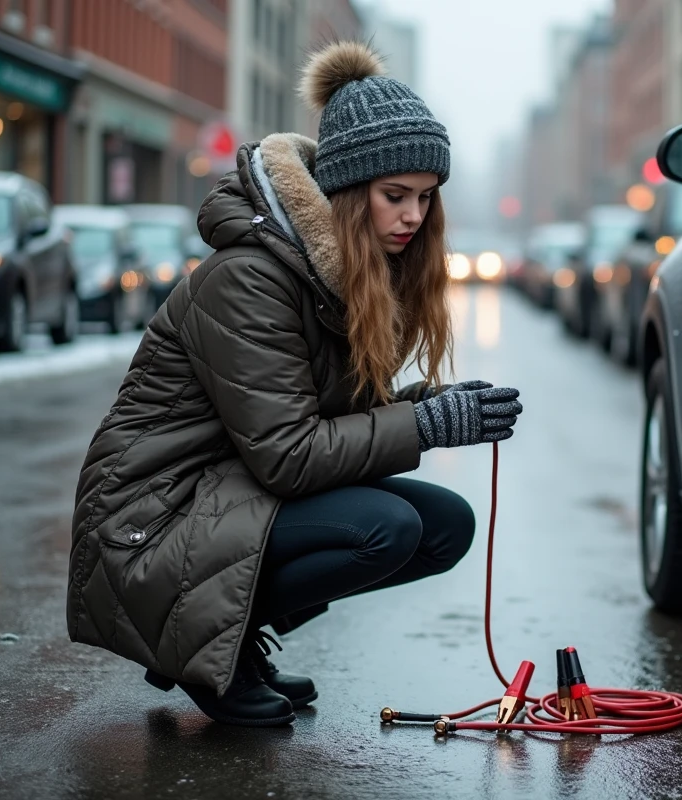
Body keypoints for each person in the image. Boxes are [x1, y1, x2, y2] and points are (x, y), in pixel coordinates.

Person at [66, 42, 523, 727]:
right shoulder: (251, 280)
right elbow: (288, 454)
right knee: (387, 527)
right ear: (343, 192)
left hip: (225, 492)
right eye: (394, 196)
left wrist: (433, 409)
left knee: (444, 527)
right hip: (149, 522)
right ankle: (197, 645)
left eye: (426, 198)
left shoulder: (338, 276)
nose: (413, 217)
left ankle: (232, 636)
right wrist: (425, 429)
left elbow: (330, 420)